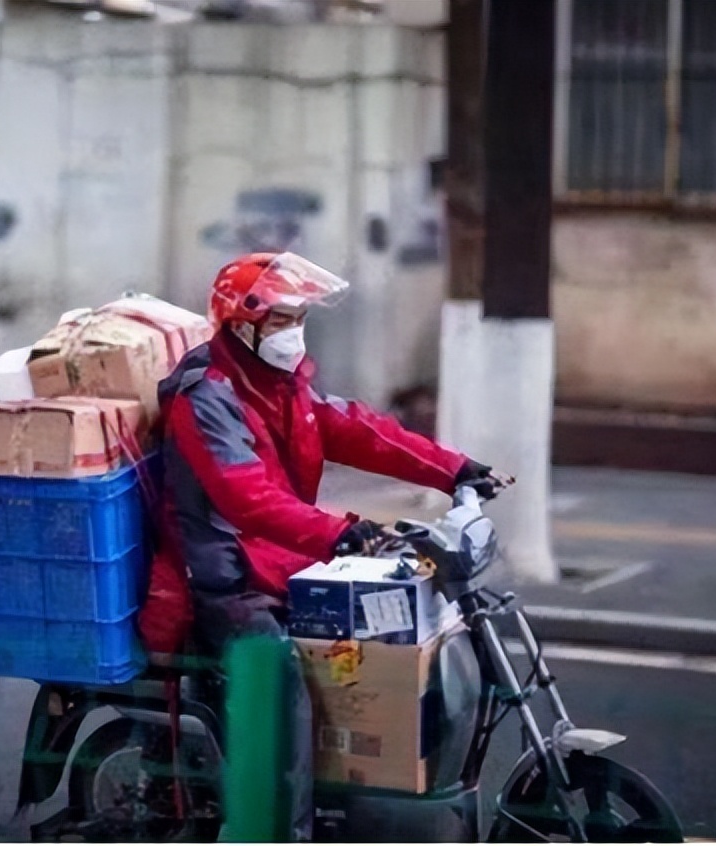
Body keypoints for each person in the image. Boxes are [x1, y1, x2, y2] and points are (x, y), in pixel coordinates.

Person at [137, 252, 512, 839]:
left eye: (298, 319)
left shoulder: (281, 386)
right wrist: (339, 531)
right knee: (286, 688)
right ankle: (282, 830)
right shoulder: (205, 397)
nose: (294, 333)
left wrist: (455, 470)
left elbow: (360, 429)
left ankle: (354, 797)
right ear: (243, 326)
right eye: (283, 321)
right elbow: (246, 499)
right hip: (228, 579)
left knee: (374, 639)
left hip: (283, 560)